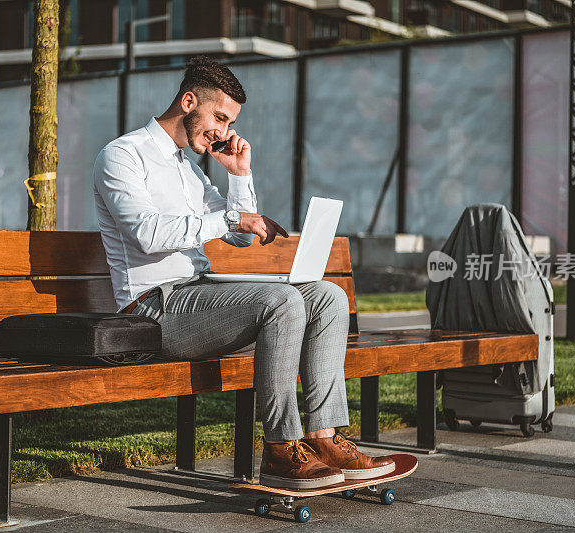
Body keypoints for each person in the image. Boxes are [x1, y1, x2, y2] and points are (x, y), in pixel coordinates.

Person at [93, 56, 393, 489]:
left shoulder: (190, 170)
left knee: (327, 296)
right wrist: (232, 220)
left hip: (196, 296)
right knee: (283, 301)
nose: (223, 131)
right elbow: (146, 234)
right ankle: (279, 449)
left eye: (229, 121)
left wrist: (239, 176)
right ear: (188, 100)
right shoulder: (122, 155)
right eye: (219, 117)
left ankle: (324, 437)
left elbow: (239, 237)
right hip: (151, 308)